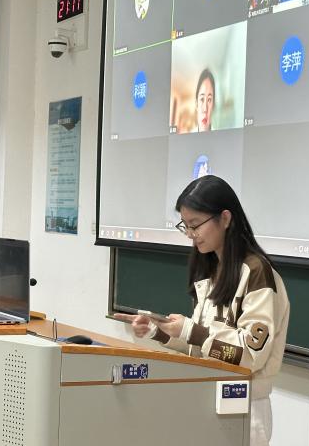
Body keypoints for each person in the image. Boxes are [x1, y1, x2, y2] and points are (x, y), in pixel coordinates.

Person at [115, 175, 290, 446]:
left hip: (243, 405)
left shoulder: (257, 273)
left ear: (225, 218)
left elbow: (250, 355)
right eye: (185, 226)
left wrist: (191, 330)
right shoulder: (211, 270)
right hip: (204, 397)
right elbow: (201, 348)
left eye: (195, 225)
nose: (190, 234)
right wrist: (158, 332)